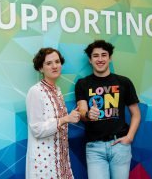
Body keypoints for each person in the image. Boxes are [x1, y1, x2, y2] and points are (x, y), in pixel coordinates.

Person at [75, 40, 141, 179]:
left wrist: (129, 137)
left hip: (120, 146)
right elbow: (81, 113)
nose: (100, 59)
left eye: (104, 55)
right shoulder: (83, 84)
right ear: (90, 60)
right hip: (94, 148)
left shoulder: (124, 82)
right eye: (95, 56)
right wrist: (88, 114)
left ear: (110, 58)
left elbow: (136, 114)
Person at [26, 47, 80, 179]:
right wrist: (64, 119)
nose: (54, 66)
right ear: (40, 68)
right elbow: (37, 129)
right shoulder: (36, 91)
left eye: (57, 62)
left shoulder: (58, 91)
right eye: (49, 63)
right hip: (43, 164)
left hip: (61, 161)